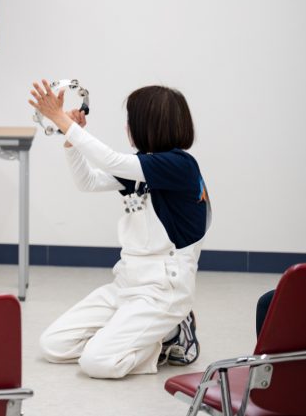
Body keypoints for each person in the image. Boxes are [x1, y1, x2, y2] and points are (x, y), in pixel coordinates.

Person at [30, 81, 211, 378]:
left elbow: (111, 160)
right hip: (126, 283)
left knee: (96, 362)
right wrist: (71, 140)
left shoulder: (180, 166)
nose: (127, 126)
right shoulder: (141, 166)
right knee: (53, 345)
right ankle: (150, 332)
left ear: (147, 124)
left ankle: (173, 335)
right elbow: (87, 181)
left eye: (130, 120)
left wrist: (62, 120)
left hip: (162, 290)